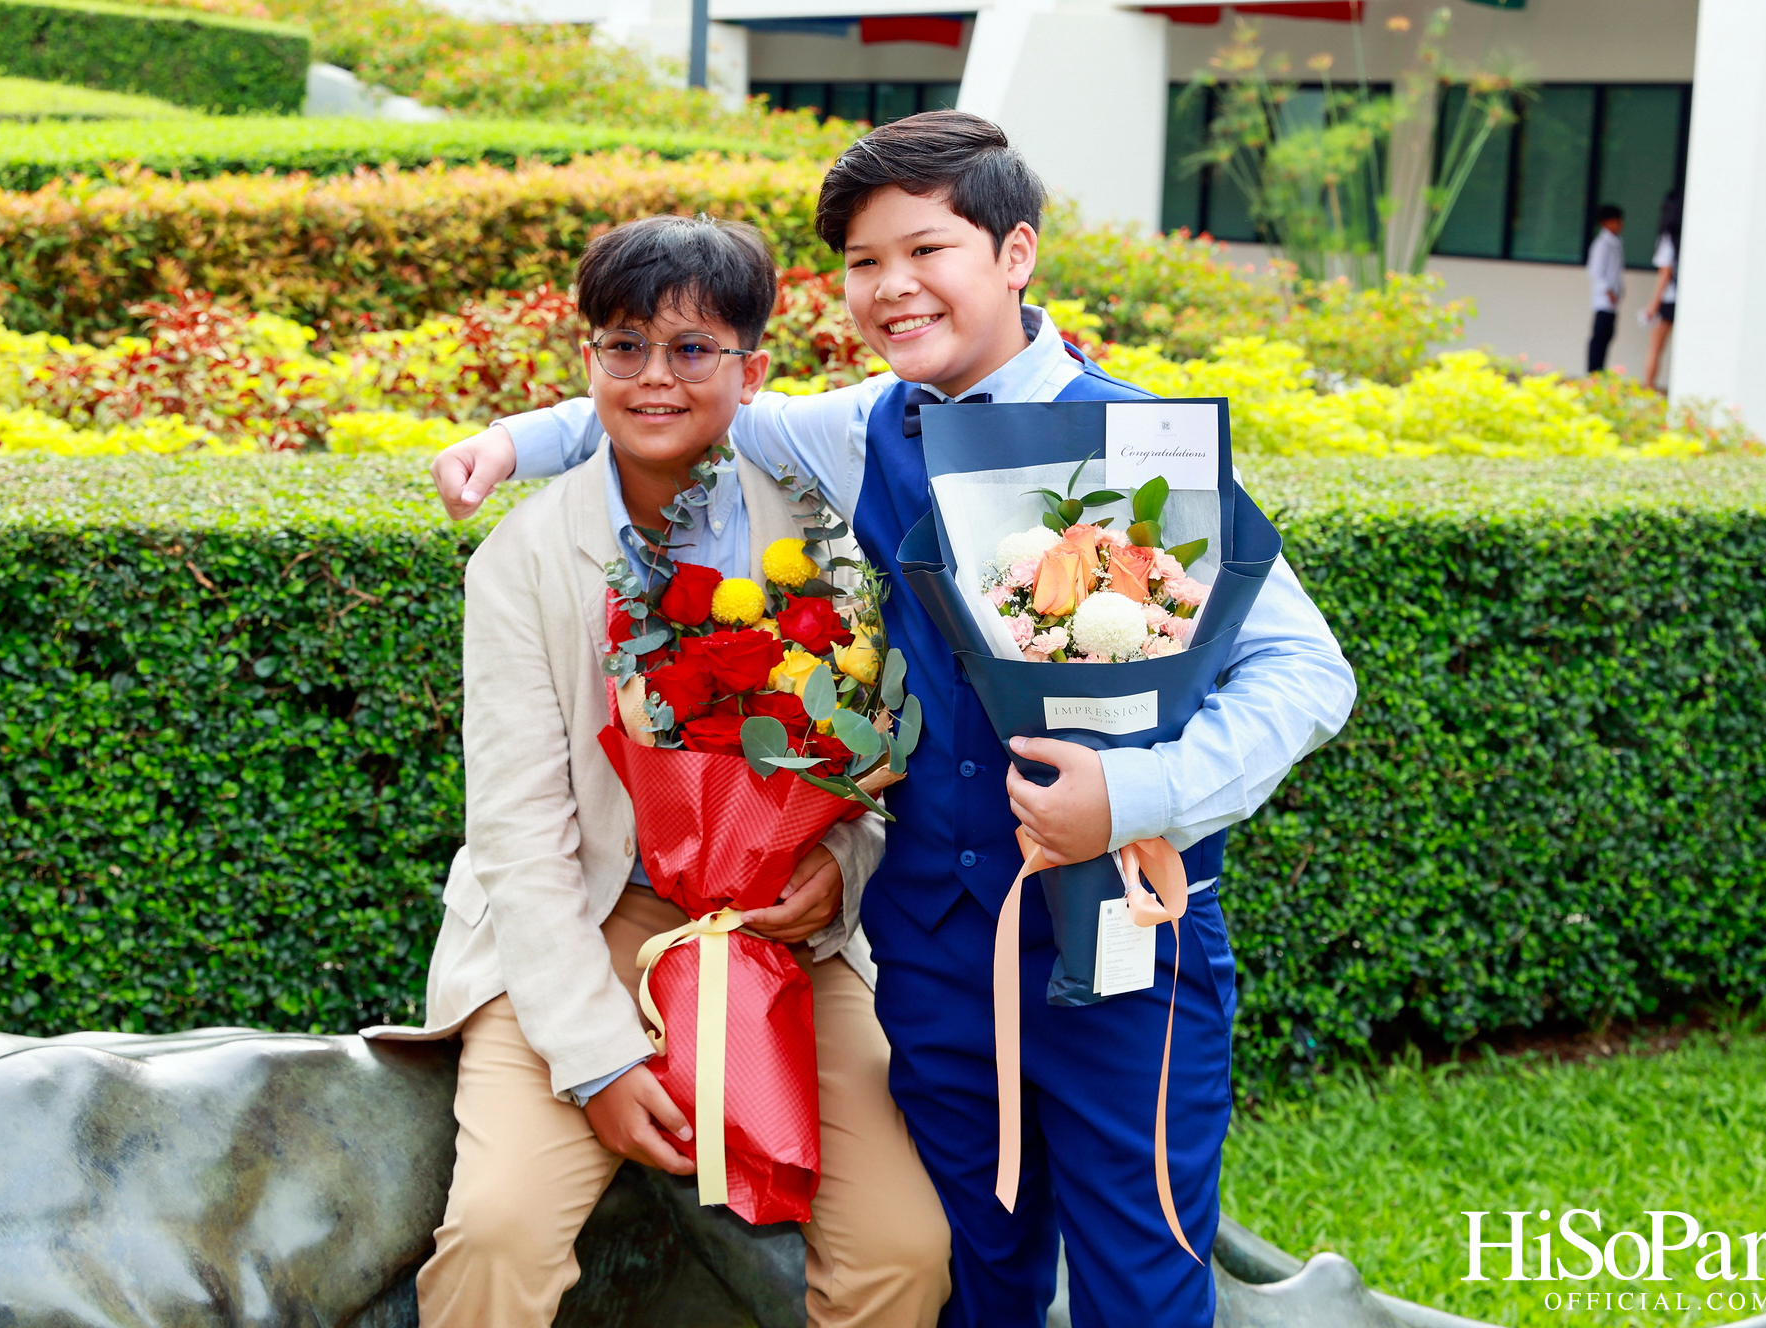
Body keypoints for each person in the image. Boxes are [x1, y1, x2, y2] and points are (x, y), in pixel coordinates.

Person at [428, 111, 1356, 1328]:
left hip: (1123, 933)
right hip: (930, 947)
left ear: (1016, 254)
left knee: (1140, 1275)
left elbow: (1306, 670)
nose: (893, 287)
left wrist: (1135, 796)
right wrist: (511, 440)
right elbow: (681, 396)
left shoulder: (1144, 445)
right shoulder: (865, 427)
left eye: (927, 250)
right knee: (970, 1267)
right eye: (865, 262)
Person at [364, 214, 953, 1328]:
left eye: (692, 349)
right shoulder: (523, 560)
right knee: (496, 1235)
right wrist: (595, 1062)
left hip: (773, 930)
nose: (653, 378)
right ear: (588, 358)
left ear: (752, 371)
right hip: (585, 919)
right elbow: (519, 838)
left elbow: (871, 757)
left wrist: (839, 864)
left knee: (905, 1249)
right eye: (624, 346)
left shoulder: (826, 532)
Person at [1641, 189, 1681, 392]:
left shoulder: (1668, 238)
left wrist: (1652, 306)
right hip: (1687, 297)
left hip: (1669, 299)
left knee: (1655, 348)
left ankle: (1648, 390)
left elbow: (1665, 274)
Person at [1586, 202, 1625, 374]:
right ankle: (1593, 372)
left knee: (1607, 336)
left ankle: (1600, 371)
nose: (1620, 225)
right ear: (1606, 223)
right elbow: (1595, 272)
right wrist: (1608, 291)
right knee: (1600, 337)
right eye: (1616, 221)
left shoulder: (1616, 243)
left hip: (1612, 300)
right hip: (1603, 300)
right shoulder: (1602, 244)